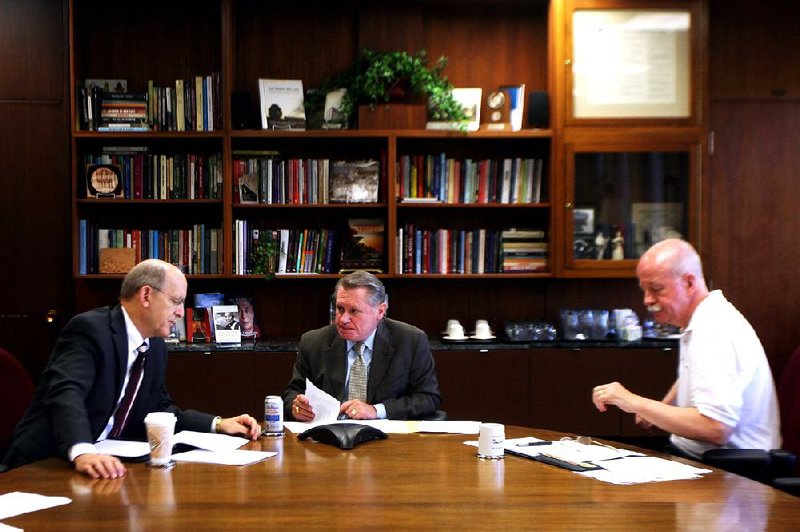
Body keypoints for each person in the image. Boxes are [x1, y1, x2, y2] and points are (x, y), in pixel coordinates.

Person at [2, 259, 260, 479]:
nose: (182, 312)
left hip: (107, 463)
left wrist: (217, 423)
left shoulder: (156, 344)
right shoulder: (91, 329)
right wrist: (82, 450)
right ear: (146, 295)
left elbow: (159, 408)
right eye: (176, 301)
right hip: (47, 463)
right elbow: (66, 393)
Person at [591, 239, 781, 458]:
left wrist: (633, 402)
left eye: (657, 289)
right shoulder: (704, 317)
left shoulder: (713, 330)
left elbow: (716, 428)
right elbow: (696, 371)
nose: (647, 300)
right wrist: (662, 406)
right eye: (644, 290)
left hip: (733, 472)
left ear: (689, 283)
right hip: (703, 458)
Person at [284, 270, 440, 421]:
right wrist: (296, 407)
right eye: (340, 309)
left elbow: (428, 398)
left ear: (380, 311)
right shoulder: (313, 342)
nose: (343, 319)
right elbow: (293, 392)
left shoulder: (410, 341)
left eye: (354, 311)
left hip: (387, 437)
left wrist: (376, 410)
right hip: (328, 435)